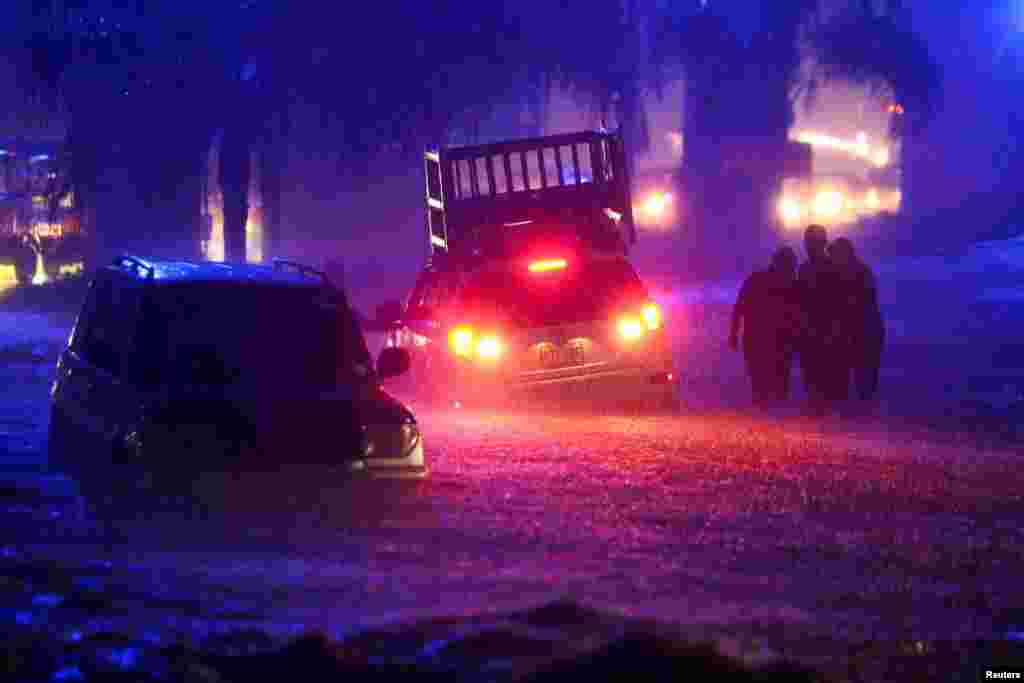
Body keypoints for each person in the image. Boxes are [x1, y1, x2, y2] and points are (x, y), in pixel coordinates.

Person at [729, 246, 805, 405]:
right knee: (769, 387)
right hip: (765, 342)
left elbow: (739, 308)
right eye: (790, 266)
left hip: (768, 342)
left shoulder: (758, 280)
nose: (792, 269)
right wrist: (733, 334)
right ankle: (769, 416)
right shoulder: (790, 285)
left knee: (767, 387)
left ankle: (767, 415)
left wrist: (734, 334)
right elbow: (740, 307)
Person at [828, 237, 885, 404]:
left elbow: (862, 305)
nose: (832, 259)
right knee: (849, 379)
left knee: (865, 380)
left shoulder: (859, 273)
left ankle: (863, 414)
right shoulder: (847, 272)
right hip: (857, 333)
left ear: (844, 253)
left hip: (866, 334)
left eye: (834, 254)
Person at [797, 224, 845, 414]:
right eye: (808, 243)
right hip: (812, 329)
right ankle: (817, 410)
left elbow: (838, 301)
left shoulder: (830, 268)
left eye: (812, 243)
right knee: (812, 373)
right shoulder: (806, 269)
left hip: (825, 329)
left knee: (823, 374)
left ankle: (822, 410)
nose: (809, 247)